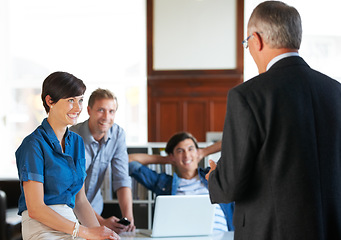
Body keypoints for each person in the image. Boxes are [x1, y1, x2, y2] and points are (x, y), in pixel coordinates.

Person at [205, 1, 341, 240]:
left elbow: (231, 185)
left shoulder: (248, 96)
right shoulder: (335, 91)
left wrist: (214, 177)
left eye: (246, 43)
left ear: (256, 40)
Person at [15, 72, 119, 240]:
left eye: (80, 100)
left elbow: (80, 201)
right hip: (41, 227)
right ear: (50, 101)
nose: (78, 108)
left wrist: (101, 234)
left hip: (71, 224)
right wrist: (84, 232)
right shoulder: (32, 145)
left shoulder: (77, 142)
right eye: (71, 100)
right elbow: (36, 209)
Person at [129, 132, 234, 232]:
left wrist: (203, 152)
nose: (186, 155)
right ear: (172, 156)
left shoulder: (215, 176)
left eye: (190, 149)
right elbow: (129, 161)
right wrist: (167, 160)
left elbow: (235, 139)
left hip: (221, 236)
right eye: (180, 151)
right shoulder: (164, 184)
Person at [70, 88, 135, 234]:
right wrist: (101, 221)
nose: (106, 117)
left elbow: (122, 178)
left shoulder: (118, 134)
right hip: (70, 211)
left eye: (111, 111)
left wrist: (128, 217)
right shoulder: (73, 137)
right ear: (89, 110)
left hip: (95, 207)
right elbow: (71, 188)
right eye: (101, 110)